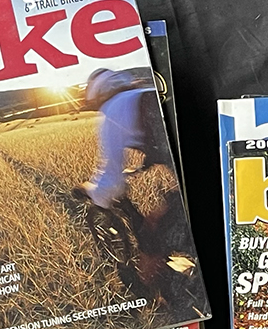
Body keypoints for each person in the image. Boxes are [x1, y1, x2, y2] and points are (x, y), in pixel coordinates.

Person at [78, 68, 190, 285]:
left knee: (151, 231)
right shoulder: (144, 94)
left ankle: (154, 292)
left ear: (98, 94)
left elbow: (111, 181)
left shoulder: (113, 108)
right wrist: (147, 162)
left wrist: (94, 193)